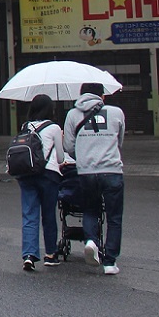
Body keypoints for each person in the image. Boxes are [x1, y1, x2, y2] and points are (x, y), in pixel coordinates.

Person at [64, 81, 126, 275]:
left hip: (86, 172)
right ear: (102, 96)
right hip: (112, 170)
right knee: (114, 217)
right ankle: (110, 262)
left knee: (91, 210)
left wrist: (83, 154)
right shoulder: (116, 112)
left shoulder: (72, 114)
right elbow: (120, 140)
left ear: (81, 95)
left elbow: (68, 146)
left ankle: (91, 241)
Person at [16, 94, 63, 272]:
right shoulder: (55, 128)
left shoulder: (25, 126)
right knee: (48, 214)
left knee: (29, 214)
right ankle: (50, 254)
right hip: (48, 175)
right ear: (50, 109)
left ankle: (28, 255)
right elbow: (60, 157)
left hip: (26, 174)